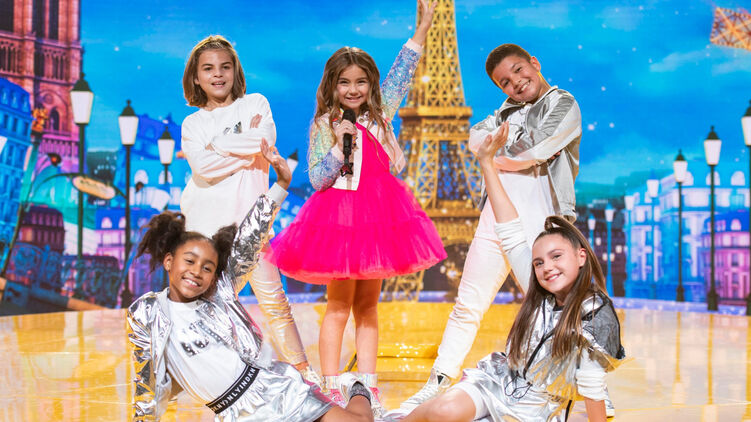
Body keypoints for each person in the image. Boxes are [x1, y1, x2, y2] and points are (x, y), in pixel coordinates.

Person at [266, 0, 444, 415]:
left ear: (371, 85)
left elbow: (402, 72)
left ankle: (367, 384)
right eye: (344, 82)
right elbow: (316, 178)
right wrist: (338, 146)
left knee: (368, 307)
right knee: (338, 306)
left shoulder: (381, 115)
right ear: (332, 85)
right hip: (338, 222)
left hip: (378, 219)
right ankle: (331, 386)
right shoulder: (324, 124)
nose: (353, 89)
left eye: (361, 81)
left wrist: (422, 30)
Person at [400, 42, 597, 412]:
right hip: (495, 219)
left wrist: (496, 154)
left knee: (555, 307)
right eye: (505, 82)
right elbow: (475, 138)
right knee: (467, 305)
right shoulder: (504, 112)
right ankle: (439, 380)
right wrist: (507, 150)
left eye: (519, 70)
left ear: (535, 63)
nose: (515, 82)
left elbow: (535, 149)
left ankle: (586, 385)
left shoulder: (563, 104)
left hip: (541, 224)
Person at [126, 140, 374, 422]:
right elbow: (145, 382)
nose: (196, 272)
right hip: (236, 414)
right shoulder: (148, 313)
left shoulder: (217, 293)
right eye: (189, 261)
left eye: (207, 267)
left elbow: (249, 239)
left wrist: (281, 185)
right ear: (169, 261)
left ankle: (358, 391)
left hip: (275, 389)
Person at [391, 125, 625, 422]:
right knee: (442, 411)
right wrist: (487, 163)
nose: (547, 267)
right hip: (499, 382)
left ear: (581, 256)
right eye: (538, 262)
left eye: (556, 256)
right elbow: (510, 231)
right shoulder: (539, 289)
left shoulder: (595, 313)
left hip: (537, 409)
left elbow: (591, 386)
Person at [179, 35, 319, 385]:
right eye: (208, 69)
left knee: (275, 304)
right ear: (196, 77)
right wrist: (244, 150)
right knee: (209, 307)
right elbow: (203, 167)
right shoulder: (192, 124)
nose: (218, 74)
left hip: (253, 226)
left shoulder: (255, 103)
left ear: (235, 71)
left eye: (225, 67)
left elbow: (264, 142)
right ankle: (213, 378)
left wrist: (217, 145)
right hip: (207, 231)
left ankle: (305, 376)